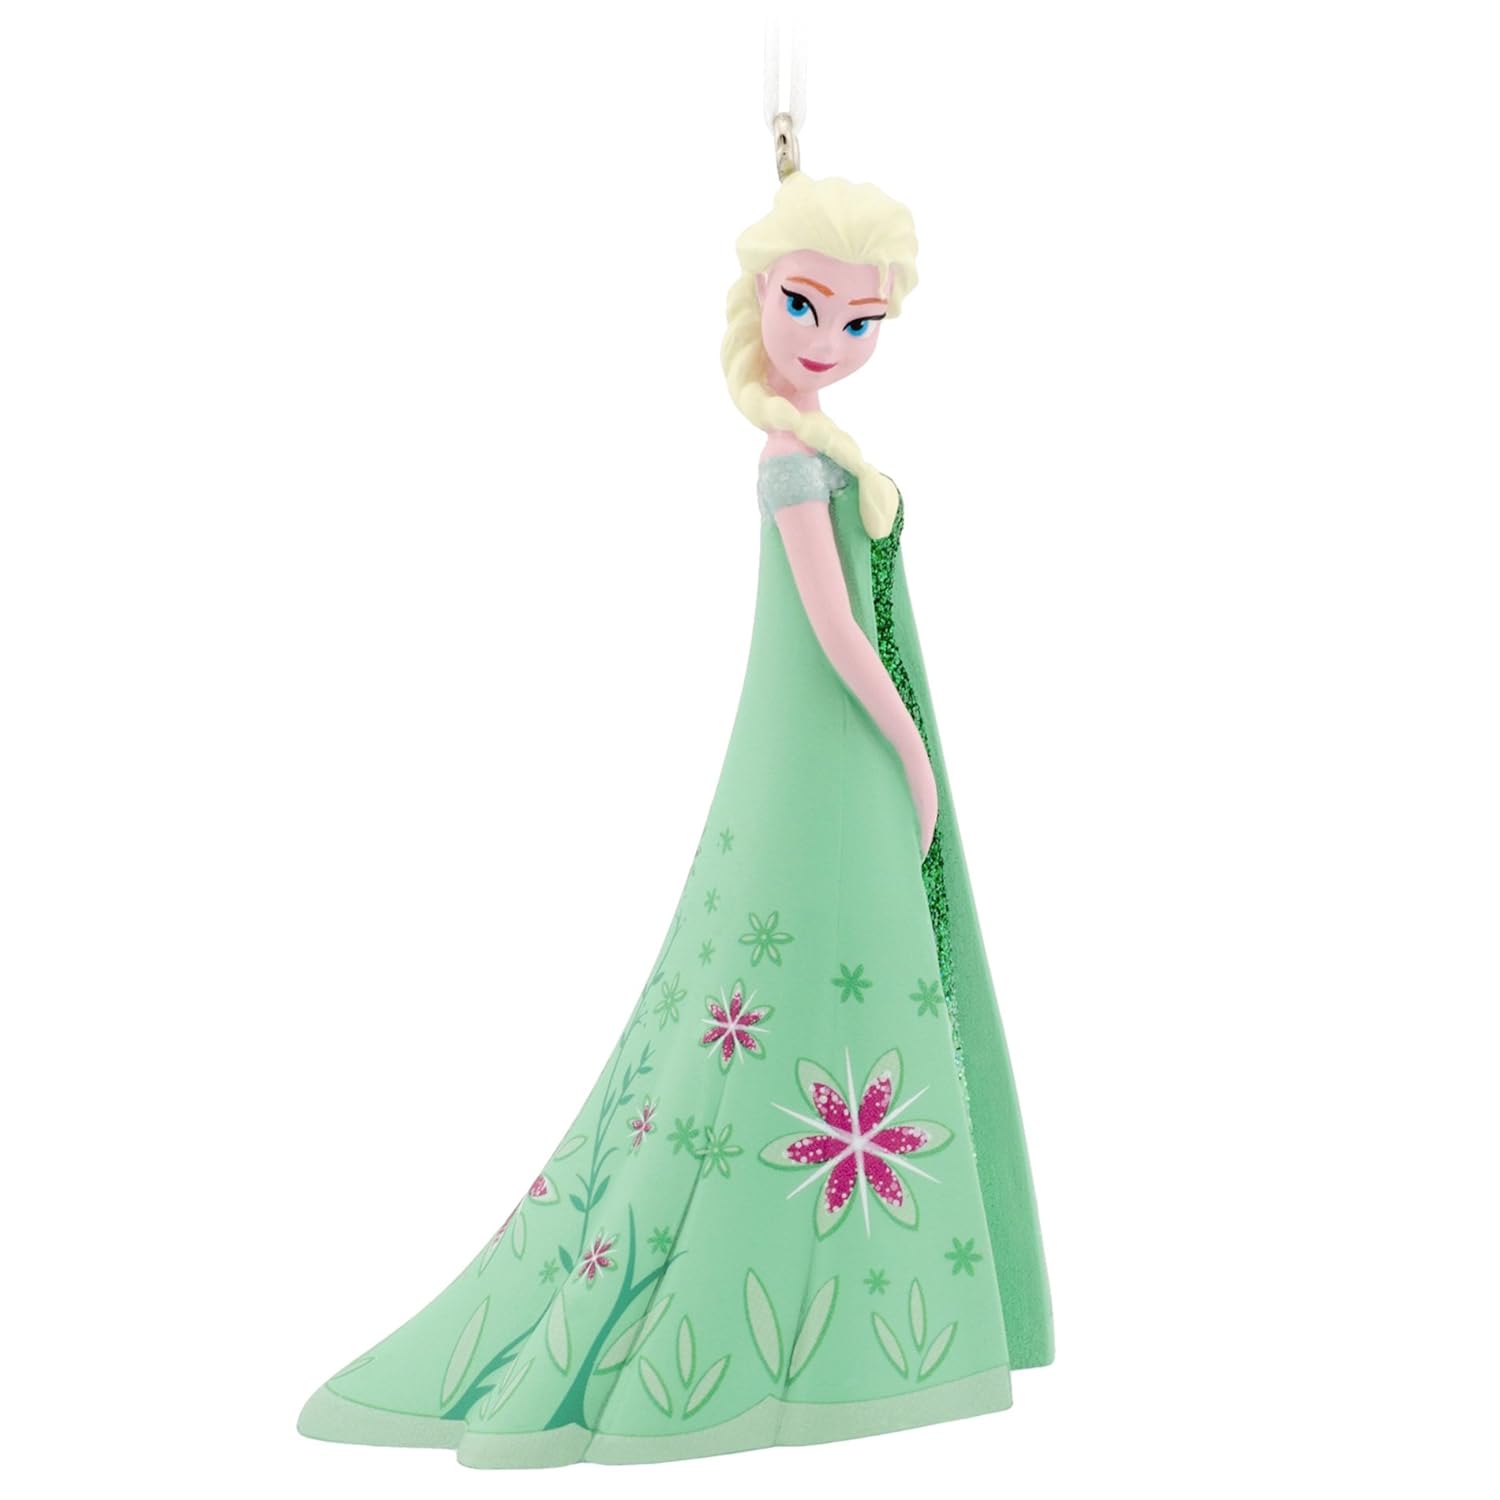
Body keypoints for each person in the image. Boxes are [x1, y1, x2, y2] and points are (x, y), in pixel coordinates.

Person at [297, 170, 1052, 1468]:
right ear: (757, 295)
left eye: (861, 322)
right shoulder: (791, 463)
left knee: (839, 990)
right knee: (780, 985)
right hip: (833, 740)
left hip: (834, 753)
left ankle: (863, 1316)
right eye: (805, 306)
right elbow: (835, 628)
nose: (829, 339)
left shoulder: (825, 450)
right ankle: (794, 1313)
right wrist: (909, 742)